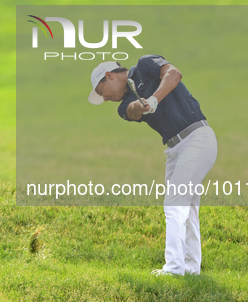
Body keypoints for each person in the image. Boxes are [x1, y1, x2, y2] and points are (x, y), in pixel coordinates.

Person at [87, 55, 217, 276]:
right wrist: (141, 105)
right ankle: (191, 268)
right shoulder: (123, 105)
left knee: (175, 202)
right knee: (188, 207)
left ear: (109, 76)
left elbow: (174, 74)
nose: (105, 99)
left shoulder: (146, 64)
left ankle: (174, 268)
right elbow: (133, 111)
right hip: (175, 150)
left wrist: (155, 98)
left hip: (197, 137)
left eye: (102, 92)